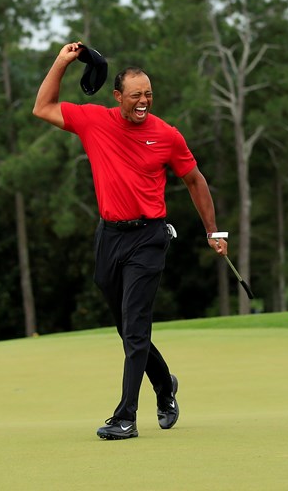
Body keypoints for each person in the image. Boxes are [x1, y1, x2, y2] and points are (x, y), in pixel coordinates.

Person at [33, 41, 228, 440]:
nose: (144, 102)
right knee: (126, 328)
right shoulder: (94, 121)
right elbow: (43, 107)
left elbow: (194, 180)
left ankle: (125, 416)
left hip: (149, 239)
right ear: (118, 96)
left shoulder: (167, 135)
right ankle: (165, 384)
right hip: (109, 237)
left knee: (136, 328)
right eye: (136, 95)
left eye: (149, 95)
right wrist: (61, 62)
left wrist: (213, 231)